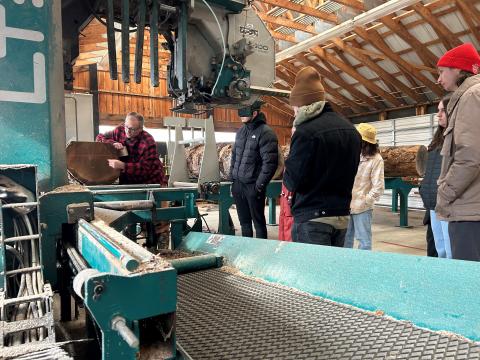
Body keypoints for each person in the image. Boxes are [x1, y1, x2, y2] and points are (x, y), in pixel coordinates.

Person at [283, 66, 362, 246]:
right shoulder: (351, 130)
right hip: (341, 215)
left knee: (309, 273)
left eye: (294, 107)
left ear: (302, 104)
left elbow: (293, 181)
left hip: (312, 218)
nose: (293, 112)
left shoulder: (305, 132)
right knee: (331, 271)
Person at [435, 43, 480, 261]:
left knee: (470, 285)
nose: (439, 79)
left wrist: (444, 193)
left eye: (442, 72)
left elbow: (469, 158)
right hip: (473, 207)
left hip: (470, 211)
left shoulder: (471, 97)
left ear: (457, 69)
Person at [230, 100, 279, 239]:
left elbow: (270, 163)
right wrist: (232, 179)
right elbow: (234, 156)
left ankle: (261, 253)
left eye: (245, 112)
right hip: (238, 185)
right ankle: (247, 251)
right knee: (244, 223)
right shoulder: (241, 131)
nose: (241, 116)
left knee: (258, 223)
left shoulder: (266, 133)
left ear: (255, 112)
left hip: (253, 186)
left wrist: (259, 186)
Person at [419, 94, 452, 258]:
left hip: (447, 204)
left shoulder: (456, 137)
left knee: (451, 251)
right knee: (440, 250)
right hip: (433, 203)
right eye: (438, 111)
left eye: (442, 111)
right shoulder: (437, 140)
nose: (438, 114)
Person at [96, 112, 166, 185]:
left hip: (150, 181)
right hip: (128, 181)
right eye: (126, 126)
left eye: (132, 129)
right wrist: (112, 143)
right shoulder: (119, 131)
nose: (127, 131)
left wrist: (123, 165)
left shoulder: (148, 141)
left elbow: (146, 169)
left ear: (140, 129)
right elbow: (99, 137)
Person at [344, 123, 384, 250]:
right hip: (346, 204)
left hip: (362, 207)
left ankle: (363, 268)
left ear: (364, 142)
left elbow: (378, 187)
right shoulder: (352, 154)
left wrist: (366, 200)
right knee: (345, 240)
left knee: (364, 242)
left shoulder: (376, 159)